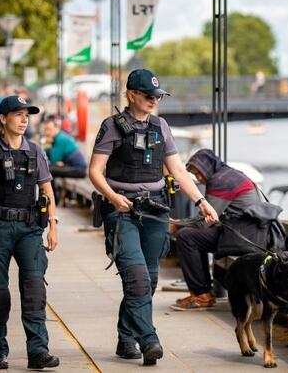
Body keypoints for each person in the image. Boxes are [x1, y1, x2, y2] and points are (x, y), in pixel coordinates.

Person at [88, 69, 219, 366]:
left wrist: (201, 201)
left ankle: (125, 338)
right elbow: (95, 171)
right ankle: (149, 340)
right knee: (136, 280)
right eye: (148, 96)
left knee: (146, 281)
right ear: (131, 95)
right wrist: (113, 197)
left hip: (156, 212)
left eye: (158, 96)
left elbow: (179, 171)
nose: (154, 101)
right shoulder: (111, 127)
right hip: (123, 211)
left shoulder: (161, 127)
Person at [0, 95, 59, 370]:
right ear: (3, 119)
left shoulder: (35, 151)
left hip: (30, 229)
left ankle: (38, 353)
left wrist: (53, 224)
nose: (23, 119)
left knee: (34, 292)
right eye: (17, 115)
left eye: (27, 115)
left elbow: (47, 189)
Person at [171, 148, 263, 311]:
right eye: (195, 175)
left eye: (199, 173)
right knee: (191, 235)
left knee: (186, 236)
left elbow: (205, 220)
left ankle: (202, 294)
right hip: (248, 233)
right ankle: (203, 291)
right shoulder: (229, 174)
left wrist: (177, 224)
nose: (199, 178)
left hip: (244, 237)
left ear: (207, 167)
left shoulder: (221, 181)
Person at [41, 117, 87, 204]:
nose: (47, 132)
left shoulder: (60, 139)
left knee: (49, 170)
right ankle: (53, 197)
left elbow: (54, 159)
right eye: (46, 130)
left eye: (49, 129)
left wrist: (48, 143)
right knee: (49, 168)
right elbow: (50, 155)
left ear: (57, 128)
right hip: (72, 166)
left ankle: (53, 199)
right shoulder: (58, 137)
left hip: (79, 169)